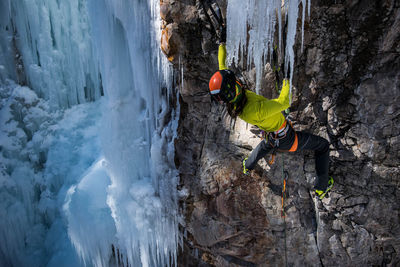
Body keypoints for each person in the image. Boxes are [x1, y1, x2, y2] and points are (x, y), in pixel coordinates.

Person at [208, 41, 334, 200]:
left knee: (264, 147)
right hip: (287, 139)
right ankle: (321, 187)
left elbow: (222, 66)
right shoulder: (254, 109)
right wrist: (287, 78)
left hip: (271, 136)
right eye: (236, 82)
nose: (238, 80)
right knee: (323, 146)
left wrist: (221, 44)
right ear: (235, 87)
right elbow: (283, 103)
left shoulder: (232, 101)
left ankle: (247, 166)